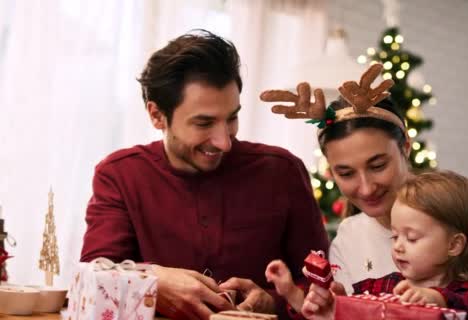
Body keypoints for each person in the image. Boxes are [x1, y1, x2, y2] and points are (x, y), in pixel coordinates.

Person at [80, 29, 329, 320]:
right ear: (156, 115)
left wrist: (274, 301)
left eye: (232, 117)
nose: (224, 141)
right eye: (204, 123)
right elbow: (93, 278)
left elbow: (321, 285)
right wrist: (153, 281)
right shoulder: (120, 175)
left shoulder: (282, 171)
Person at [261, 64, 468, 319]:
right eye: (346, 173)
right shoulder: (349, 236)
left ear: (405, 146)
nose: (367, 187)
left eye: (378, 165)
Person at [266, 170, 468, 319]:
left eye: (411, 238)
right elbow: (340, 313)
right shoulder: (383, 286)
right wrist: (294, 295)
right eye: (395, 236)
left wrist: (435, 298)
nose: (398, 246)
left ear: (454, 245)